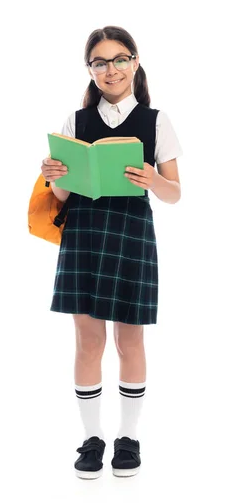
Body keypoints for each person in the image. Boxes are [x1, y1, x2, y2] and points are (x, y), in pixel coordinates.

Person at [40, 26, 183, 479]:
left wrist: (151, 179)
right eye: (99, 62)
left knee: (130, 341)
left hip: (132, 234)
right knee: (88, 341)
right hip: (83, 234)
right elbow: (60, 199)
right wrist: (55, 176)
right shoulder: (75, 121)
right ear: (90, 70)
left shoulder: (156, 120)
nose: (111, 69)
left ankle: (129, 438)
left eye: (120, 59)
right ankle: (90, 439)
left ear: (135, 62)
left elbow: (175, 193)